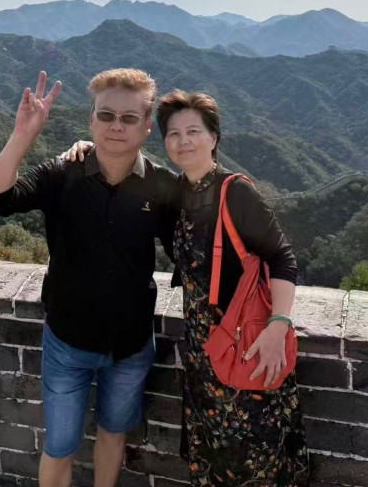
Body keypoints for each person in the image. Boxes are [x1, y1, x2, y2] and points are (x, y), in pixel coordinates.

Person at [66, 89, 308, 485]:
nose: (183, 142)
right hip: (201, 353)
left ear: (214, 138)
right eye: (174, 134)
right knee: (210, 458)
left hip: (246, 345)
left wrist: (278, 325)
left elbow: (282, 258)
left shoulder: (236, 192)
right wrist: (91, 149)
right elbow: (124, 179)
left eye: (193, 131)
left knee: (254, 460)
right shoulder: (176, 194)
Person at [0, 69, 178, 487]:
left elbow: (190, 252)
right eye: (106, 115)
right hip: (67, 340)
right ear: (91, 119)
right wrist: (23, 135)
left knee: (114, 434)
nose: (116, 126)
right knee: (60, 444)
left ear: (146, 125)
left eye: (129, 117)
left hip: (131, 343)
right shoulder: (62, 173)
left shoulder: (161, 187)